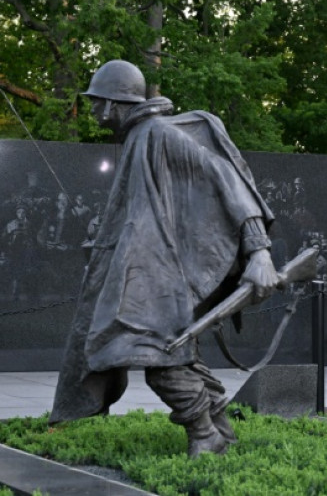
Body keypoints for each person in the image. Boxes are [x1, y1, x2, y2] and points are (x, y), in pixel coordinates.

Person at [49, 59, 279, 457]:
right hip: (152, 275)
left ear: (113, 104)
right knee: (175, 353)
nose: (92, 110)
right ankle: (219, 429)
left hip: (159, 279)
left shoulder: (156, 132)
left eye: (96, 102)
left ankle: (205, 435)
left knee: (155, 355)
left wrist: (259, 251)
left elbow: (226, 178)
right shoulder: (139, 137)